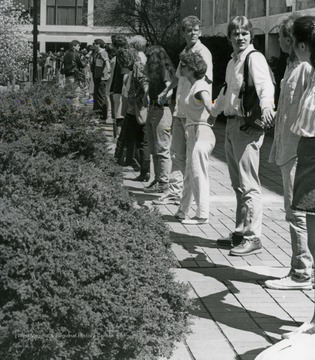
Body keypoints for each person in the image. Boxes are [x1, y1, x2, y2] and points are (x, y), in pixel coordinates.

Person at [210, 16, 275, 256]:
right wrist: (214, 112)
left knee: (249, 184)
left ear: (251, 36)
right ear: (229, 38)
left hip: (246, 126)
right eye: (236, 34)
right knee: (238, 184)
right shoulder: (232, 62)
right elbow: (227, 91)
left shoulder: (253, 58)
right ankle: (240, 231)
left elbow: (265, 86)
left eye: (244, 33)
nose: (240, 37)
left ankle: (253, 236)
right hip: (231, 125)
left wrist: (268, 106)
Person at [264, 15, 313, 291]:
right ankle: (300, 267)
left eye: (284, 37)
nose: (282, 42)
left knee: (298, 213)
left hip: (298, 152)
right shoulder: (291, 66)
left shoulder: (305, 68)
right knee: (293, 211)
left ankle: (302, 272)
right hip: (287, 149)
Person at [152, 15, 213, 205]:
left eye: (196, 30)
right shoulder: (185, 52)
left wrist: (206, 107)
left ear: (200, 32)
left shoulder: (204, 52)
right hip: (180, 111)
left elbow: (207, 80)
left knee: (192, 158)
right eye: (189, 30)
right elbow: (178, 77)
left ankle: (191, 197)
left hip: (194, 114)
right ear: (184, 33)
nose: (192, 33)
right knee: (177, 154)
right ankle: (174, 193)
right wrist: (166, 91)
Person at [174, 52, 216, 225]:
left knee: (198, 173)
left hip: (202, 133)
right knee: (190, 172)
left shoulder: (199, 85)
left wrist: (212, 112)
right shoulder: (193, 84)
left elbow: (207, 100)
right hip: (192, 132)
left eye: (183, 65)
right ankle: (182, 210)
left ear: (191, 69)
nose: (180, 68)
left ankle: (202, 214)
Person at [143, 45, 175, 193]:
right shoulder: (153, 72)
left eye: (150, 57)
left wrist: (163, 97)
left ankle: (163, 183)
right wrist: (146, 95)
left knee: (162, 148)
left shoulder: (164, 70)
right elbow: (151, 86)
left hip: (162, 110)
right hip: (153, 109)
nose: (148, 60)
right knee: (154, 148)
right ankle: (157, 179)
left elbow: (170, 88)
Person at [116, 48, 151, 182]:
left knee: (124, 137)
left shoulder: (137, 67)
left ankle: (113, 165)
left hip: (135, 108)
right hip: (138, 108)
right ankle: (145, 171)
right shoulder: (139, 65)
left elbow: (144, 82)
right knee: (142, 142)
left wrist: (144, 97)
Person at [91, 39, 111, 122]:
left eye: (94, 44)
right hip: (97, 78)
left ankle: (102, 117)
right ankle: (96, 115)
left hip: (101, 79)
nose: (93, 45)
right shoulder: (97, 53)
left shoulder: (103, 53)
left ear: (98, 44)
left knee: (101, 97)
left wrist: (109, 68)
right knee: (96, 96)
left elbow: (106, 61)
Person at [63, 40, 87, 105]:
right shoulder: (76, 54)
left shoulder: (66, 54)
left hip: (67, 76)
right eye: (78, 46)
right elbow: (82, 65)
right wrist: (85, 60)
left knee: (69, 94)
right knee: (76, 95)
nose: (79, 47)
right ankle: (75, 110)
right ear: (74, 46)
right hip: (75, 76)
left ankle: (69, 109)